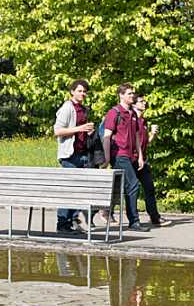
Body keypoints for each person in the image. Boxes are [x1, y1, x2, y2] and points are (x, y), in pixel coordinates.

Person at [102, 83, 149, 232]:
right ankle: (134, 221)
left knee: (119, 187)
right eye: (129, 93)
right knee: (133, 183)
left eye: (133, 93)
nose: (132, 96)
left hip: (132, 155)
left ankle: (104, 212)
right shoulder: (114, 113)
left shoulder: (133, 114)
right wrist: (107, 157)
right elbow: (107, 136)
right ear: (121, 95)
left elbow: (136, 137)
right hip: (119, 154)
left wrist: (140, 156)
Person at [53, 79, 96, 233]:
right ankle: (62, 223)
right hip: (70, 155)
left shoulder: (84, 109)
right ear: (72, 92)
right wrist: (80, 128)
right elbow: (57, 131)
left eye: (84, 91)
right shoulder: (67, 108)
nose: (82, 94)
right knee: (69, 190)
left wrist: (88, 132)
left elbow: (81, 131)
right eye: (79, 91)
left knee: (82, 190)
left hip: (83, 154)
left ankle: (73, 221)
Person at [133, 94, 171, 227]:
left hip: (143, 160)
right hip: (133, 160)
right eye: (141, 101)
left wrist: (153, 134)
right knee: (129, 190)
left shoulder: (143, 121)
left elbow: (145, 143)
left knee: (149, 188)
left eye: (145, 101)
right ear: (134, 104)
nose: (144, 103)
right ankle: (102, 211)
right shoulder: (131, 120)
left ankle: (154, 217)